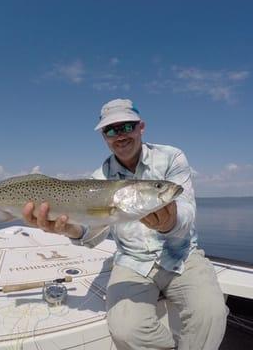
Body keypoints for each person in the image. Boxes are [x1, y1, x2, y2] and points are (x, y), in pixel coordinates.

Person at [22, 98, 228, 350]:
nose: (119, 135)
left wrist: (169, 223)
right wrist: (69, 229)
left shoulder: (172, 157)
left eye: (126, 127)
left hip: (182, 254)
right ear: (104, 137)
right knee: (125, 330)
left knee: (212, 314)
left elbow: (185, 209)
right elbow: (92, 232)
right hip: (132, 261)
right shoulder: (98, 179)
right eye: (110, 130)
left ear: (141, 127)